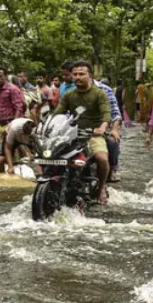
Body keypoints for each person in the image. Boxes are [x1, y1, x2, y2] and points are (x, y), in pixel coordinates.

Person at [54, 60, 111, 204]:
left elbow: (106, 114)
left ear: (90, 75)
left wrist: (102, 128)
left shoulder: (100, 94)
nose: (78, 77)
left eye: (81, 74)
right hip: (72, 134)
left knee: (102, 159)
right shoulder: (68, 95)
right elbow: (57, 113)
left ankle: (101, 187)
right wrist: (47, 126)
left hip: (93, 135)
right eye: (75, 74)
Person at [0, 66, 25, 169]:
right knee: (17, 148)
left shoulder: (12, 89)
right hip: (1, 126)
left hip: (13, 125)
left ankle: (7, 170)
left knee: (2, 157)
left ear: (4, 76)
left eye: (0, 76)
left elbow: (19, 108)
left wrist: (12, 125)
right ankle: (10, 169)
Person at [94, 78, 122, 183]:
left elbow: (115, 113)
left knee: (112, 141)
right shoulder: (72, 90)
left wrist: (114, 129)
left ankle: (113, 169)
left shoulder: (105, 90)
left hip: (102, 128)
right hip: (79, 129)